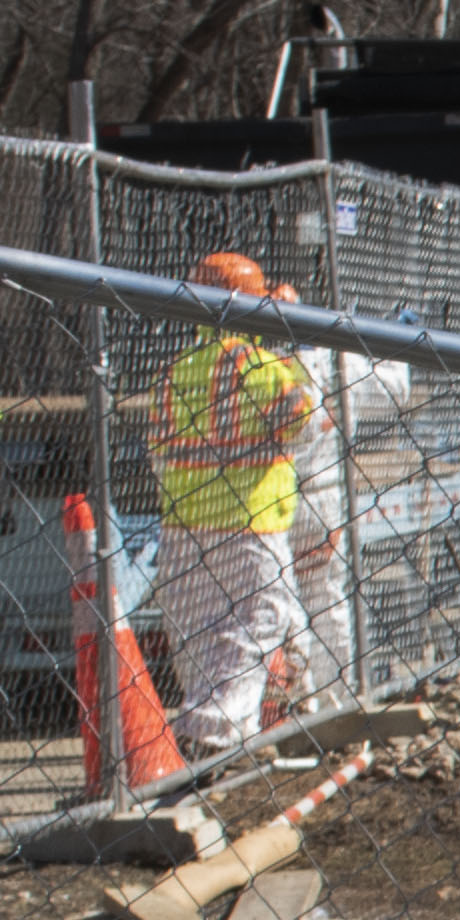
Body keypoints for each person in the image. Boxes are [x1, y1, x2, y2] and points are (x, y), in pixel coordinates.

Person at [146, 250, 332, 756]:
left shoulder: (177, 369)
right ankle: (217, 738)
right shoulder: (256, 365)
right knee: (260, 624)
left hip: (184, 529)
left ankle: (266, 724)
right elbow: (310, 423)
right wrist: (301, 340)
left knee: (205, 640)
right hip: (250, 526)